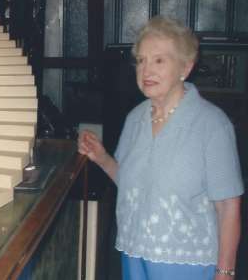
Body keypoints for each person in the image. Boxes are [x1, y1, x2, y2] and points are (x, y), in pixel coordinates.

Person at [78, 16, 244, 280]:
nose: (146, 71)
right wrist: (101, 157)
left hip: (186, 262)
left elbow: (228, 206)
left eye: (158, 60)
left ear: (185, 67)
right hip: (134, 253)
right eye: (141, 61)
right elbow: (133, 183)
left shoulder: (212, 124)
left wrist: (225, 272)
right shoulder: (134, 119)